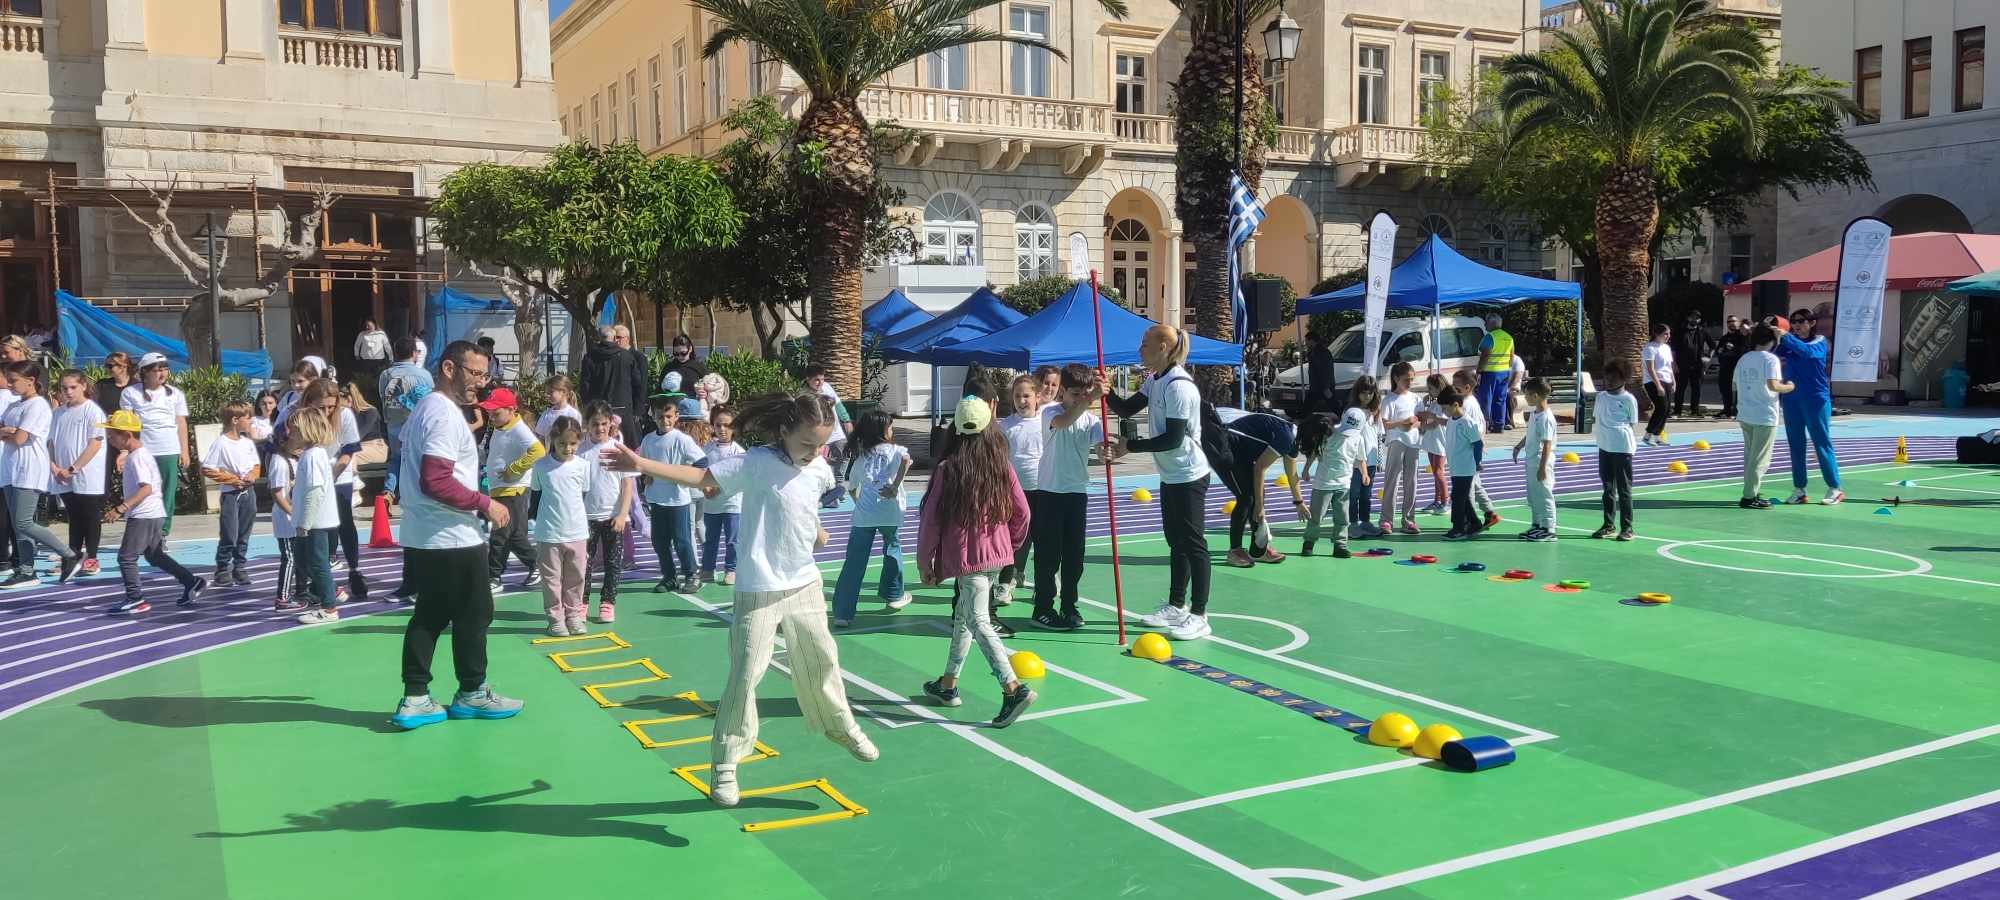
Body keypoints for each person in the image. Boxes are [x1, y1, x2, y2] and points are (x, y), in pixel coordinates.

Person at [601, 391, 880, 808]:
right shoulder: (756, 463)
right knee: (746, 673)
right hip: (758, 587)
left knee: (822, 658)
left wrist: (817, 530)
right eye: (807, 443)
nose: (814, 452)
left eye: (821, 444)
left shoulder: (819, 467)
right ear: (784, 431)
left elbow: (802, 507)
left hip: (804, 583)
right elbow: (701, 478)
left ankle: (840, 725)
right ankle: (726, 761)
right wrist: (641, 464)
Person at [391, 340, 524, 731]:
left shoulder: (427, 409)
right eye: (475, 373)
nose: (480, 382)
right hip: (450, 534)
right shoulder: (443, 415)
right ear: (449, 368)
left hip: (426, 532)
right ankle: (471, 691)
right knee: (475, 612)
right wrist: (486, 503)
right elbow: (435, 480)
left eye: (485, 374)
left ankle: (416, 697)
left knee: (430, 613)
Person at [916, 395, 1037, 726]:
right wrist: (1009, 546)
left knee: (979, 620)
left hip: (969, 559)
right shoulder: (1001, 466)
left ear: (956, 428)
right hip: (995, 556)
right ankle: (948, 683)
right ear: (988, 428)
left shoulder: (948, 469)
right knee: (964, 615)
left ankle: (1012, 688)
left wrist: (925, 562)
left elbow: (931, 521)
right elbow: (1023, 513)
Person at [1104, 324, 1214, 642]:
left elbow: (1173, 439)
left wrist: (1130, 447)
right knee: (1176, 542)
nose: (1140, 349)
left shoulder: (1179, 386)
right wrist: (1106, 391)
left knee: (1193, 544)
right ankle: (1177, 605)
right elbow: (1127, 409)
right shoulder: (1155, 380)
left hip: (1189, 474)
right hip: (1170, 474)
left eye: (1145, 343)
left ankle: (1200, 615)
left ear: (1163, 347)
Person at [100, 410, 206, 614]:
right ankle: (191, 581)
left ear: (127, 435)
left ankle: (135, 598)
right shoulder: (139, 455)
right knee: (154, 555)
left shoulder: (137, 457)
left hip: (144, 515)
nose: (109, 439)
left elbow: (146, 488)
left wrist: (121, 508)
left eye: (112, 435)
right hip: (154, 513)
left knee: (126, 557)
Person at [0, 360, 83, 587]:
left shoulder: (37, 405)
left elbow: (20, 439)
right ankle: (27, 570)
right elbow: (9, 432)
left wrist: (9, 432)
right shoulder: (13, 405)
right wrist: (9, 431)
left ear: (31, 381)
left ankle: (70, 555)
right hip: (9, 469)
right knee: (18, 525)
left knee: (24, 522)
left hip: (29, 469)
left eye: (14, 380)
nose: (9, 384)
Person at [1032, 364, 1103, 630]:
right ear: (1062, 391)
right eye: (1075, 394)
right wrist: (1091, 398)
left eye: (1085, 393)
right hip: (1050, 493)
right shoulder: (1050, 412)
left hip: (1077, 493)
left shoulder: (1092, 420)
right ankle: (1043, 607)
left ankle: (1069, 605)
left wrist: (1110, 450)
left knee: (1075, 556)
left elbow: (1102, 448)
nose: (1080, 398)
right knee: (1048, 556)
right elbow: (1065, 422)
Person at [832, 409, 914, 627]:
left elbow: (852, 487)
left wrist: (859, 502)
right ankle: (894, 595)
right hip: (890, 512)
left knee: (854, 562)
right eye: (890, 426)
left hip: (865, 515)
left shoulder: (862, 457)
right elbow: (906, 461)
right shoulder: (896, 450)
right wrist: (895, 486)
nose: (892, 429)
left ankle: (842, 613)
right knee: (892, 550)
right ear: (883, 431)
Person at [301, 379, 367, 601]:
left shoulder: (345, 415)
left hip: (337, 474)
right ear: (309, 402)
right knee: (316, 527)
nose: (327, 412)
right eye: (322, 407)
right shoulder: (300, 416)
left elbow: (348, 451)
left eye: (331, 406)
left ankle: (354, 570)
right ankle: (316, 579)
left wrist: (332, 475)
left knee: (344, 521)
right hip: (311, 474)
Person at [1215, 406, 1307, 567]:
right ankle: (1235, 550)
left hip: (1242, 452)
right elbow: (1260, 468)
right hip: (1224, 443)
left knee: (1257, 497)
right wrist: (1259, 506)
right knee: (1247, 498)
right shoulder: (1287, 438)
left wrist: (1299, 502)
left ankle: (1258, 551)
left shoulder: (1294, 438)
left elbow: (1292, 474)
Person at [1773, 309, 1843, 505]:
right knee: (1796, 444)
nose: (1796, 325)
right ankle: (1799, 489)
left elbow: (1807, 353)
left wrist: (1786, 336)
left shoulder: (1820, 341)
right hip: (1791, 398)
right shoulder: (1788, 342)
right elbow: (1770, 353)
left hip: (1815, 399)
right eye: (1793, 321)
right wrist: (1768, 334)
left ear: (1812, 323)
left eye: (1801, 321)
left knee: (1821, 442)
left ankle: (1835, 488)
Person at [531, 417, 593, 636]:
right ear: (553, 441)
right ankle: (555, 619)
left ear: (579, 442)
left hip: (577, 532)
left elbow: (582, 494)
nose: (567, 448)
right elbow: (537, 492)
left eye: (573, 444)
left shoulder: (583, 466)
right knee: (551, 580)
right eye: (562, 443)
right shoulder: (541, 466)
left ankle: (573, 616)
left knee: (576, 577)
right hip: (549, 534)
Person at [119, 353, 190, 535]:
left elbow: (181, 422)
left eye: (165, 369)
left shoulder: (175, 393)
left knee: (167, 493)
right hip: (143, 450)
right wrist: (124, 451)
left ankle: (162, 533)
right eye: (157, 370)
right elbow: (126, 424)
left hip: (168, 449)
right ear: (145, 372)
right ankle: (141, 529)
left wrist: (184, 450)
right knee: (142, 490)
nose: (162, 373)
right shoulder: (130, 393)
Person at [639, 395, 705, 594]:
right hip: (656, 499)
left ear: (676, 416)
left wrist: (686, 475)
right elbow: (643, 464)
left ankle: (692, 575)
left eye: (668, 416)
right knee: (659, 541)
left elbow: (702, 461)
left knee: (681, 540)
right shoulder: (648, 440)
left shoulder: (682, 439)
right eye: (660, 416)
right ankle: (669, 577)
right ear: (654, 417)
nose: (665, 420)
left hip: (677, 500)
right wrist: (646, 476)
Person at [482, 387, 545, 592]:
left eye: (496, 413)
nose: (492, 417)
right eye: (490, 413)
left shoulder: (518, 428)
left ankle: (494, 576)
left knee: (501, 534)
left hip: (512, 489)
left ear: (511, 410)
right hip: (501, 489)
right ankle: (535, 565)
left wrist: (514, 469)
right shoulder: (501, 426)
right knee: (512, 534)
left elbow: (538, 450)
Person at [578, 401, 634, 622]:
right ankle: (581, 603)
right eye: (595, 424)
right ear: (587, 425)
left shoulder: (618, 449)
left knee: (612, 562)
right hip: (585, 517)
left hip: (613, 517)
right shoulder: (580, 451)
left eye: (603, 423)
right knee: (583, 563)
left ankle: (607, 602)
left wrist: (622, 514)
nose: (600, 428)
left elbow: (627, 485)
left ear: (611, 423)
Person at [50, 370, 107, 577]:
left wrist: (73, 468)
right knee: (74, 517)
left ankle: (91, 558)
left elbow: (95, 443)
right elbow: (50, 442)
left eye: (73, 387)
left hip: (87, 475)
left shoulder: (93, 411)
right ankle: (73, 557)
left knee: (90, 517)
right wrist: (55, 467)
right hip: (62, 475)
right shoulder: (58, 413)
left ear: (83, 386)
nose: (68, 392)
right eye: (64, 388)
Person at [288, 408, 342, 625]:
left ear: (306, 430)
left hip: (315, 522)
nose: (290, 434)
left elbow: (314, 491)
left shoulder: (312, 456)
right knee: (303, 559)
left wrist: (305, 523)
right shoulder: (310, 454)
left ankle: (329, 608)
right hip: (312, 521)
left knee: (317, 563)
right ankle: (330, 590)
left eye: (294, 430)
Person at [994, 375, 1044, 608]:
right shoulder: (1006, 426)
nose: (1022, 401)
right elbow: (1000, 458)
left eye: (1026, 396)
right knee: (1013, 539)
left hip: (1042, 490)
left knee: (1042, 539)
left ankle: (1044, 584)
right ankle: (1005, 582)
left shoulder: (1047, 422)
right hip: (1014, 493)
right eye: (1017, 396)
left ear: (1037, 397)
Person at [200, 400, 263, 586]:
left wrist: (252, 475)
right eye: (247, 418)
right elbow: (207, 468)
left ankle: (239, 566)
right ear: (235, 420)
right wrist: (232, 480)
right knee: (230, 532)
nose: (250, 421)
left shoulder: (247, 443)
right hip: (231, 494)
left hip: (248, 493)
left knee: (244, 532)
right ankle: (222, 568)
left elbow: (256, 465)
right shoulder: (221, 443)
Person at [1735, 323, 1793, 510]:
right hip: (1764, 414)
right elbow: (1773, 385)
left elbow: (1735, 385)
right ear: (1772, 340)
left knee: (1750, 456)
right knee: (1760, 459)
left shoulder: (1744, 358)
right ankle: (1749, 496)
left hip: (1745, 412)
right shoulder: (1770, 359)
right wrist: (1790, 387)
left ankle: (1752, 489)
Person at [1299, 409, 1369, 558]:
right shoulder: (1330, 433)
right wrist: (1306, 469)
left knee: (1343, 518)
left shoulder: (1358, 438)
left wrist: (1364, 473)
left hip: (1343, 484)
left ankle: (1340, 545)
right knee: (1316, 516)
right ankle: (1309, 542)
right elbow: (1315, 451)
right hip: (1323, 484)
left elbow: (1360, 459)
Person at [1591, 359, 1640, 541]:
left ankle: (1627, 528)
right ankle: (1608, 525)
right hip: (1604, 447)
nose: (1609, 381)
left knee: (1624, 489)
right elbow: (1597, 418)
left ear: (1624, 378)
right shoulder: (1601, 397)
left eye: (1614, 378)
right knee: (1608, 488)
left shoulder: (1629, 399)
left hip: (1622, 448)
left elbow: (1632, 422)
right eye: (1607, 377)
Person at [378, 337, 432, 498]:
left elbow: (382, 396)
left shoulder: (386, 374)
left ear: (395, 353)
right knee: (419, 458)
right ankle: (419, 492)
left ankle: (389, 491)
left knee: (396, 458)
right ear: (414, 354)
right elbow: (431, 401)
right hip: (417, 423)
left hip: (393, 422)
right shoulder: (424, 375)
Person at [580, 325, 648, 447]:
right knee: (627, 447)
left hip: (598, 410)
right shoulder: (627, 356)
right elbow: (638, 384)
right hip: (624, 410)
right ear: (614, 338)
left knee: (598, 446)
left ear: (599, 338)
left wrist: (587, 407)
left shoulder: (590, 356)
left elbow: (585, 385)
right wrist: (637, 409)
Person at [700, 405, 744, 587]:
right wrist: (705, 489)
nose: (722, 429)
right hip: (711, 506)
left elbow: (736, 476)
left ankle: (731, 570)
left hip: (732, 504)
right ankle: (708, 569)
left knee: (733, 540)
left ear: (734, 427)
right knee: (710, 539)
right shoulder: (707, 449)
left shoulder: (738, 451)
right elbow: (700, 471)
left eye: (727, 425)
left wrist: (717, 489)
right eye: (718, 425)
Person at [1378, 361, 1423, 536]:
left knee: (1411, 481)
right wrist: (1402, 424)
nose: (1409, 383)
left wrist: (1414, 423)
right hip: (1397, 441)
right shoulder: (1389, 399)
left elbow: (1421, 421)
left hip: (1413, 442)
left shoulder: (1415, 399)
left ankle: (1409, 519)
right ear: (1396, 378)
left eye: (1411, 379)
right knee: (1392, 480)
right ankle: (1386, 520)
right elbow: (1385, 423)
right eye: (1406, 379)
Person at [1511, 378, 1558, 542]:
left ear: (1536, 396)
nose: (1525, 398)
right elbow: (1531, 434)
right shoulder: (1534, 414)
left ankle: (1549, 528)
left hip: (1540, 461)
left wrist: (1542, 468)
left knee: (1544, 494)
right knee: (1533, 496)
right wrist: (1519, 446)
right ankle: (1537, 525)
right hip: (1531, 460)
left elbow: (1547, 444)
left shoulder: (1546, 418)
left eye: (1527, 395)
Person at [802, 366, 854, 509]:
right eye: (816, 380)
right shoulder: (804, 395)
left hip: (836, 432)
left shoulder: (827, 387)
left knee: (844, 455)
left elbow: (838, 404)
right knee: (821, 463)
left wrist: (846, 420)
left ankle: (838, 486)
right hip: (820, 435)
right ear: (808, 379)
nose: (820, 383)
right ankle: (828, 492)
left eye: (822, 379)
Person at [266, 431, 304, 613]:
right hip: (286, 519)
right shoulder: (279, 462)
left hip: (295, 517)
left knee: (300, 556)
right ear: (283, 442)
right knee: (289, 558)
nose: (301, 445)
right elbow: (277, 494)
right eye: (297, 440)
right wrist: (292, 513)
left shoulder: (295, 459)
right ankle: (282, 598)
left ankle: (304, 591)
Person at [1440, 388, 1484, 540]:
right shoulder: (1452, 421)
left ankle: (1458, 528)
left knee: (1457, 498)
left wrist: (1477, 462)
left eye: (1445, 408)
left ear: (1456, 404)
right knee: (1462, 498)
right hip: (1455, 467)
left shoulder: (1467, 422)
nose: (1444, 411)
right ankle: (1475, 523)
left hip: (1465, 468)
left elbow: (1478, 444)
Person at [1344, 376, 1384, 539]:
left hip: (1371, 461)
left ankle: (1365, 522)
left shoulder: (1375, 412)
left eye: (1370, 393)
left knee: (1366, 495)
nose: (1367, 396)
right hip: (1355, 462)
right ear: (1357, 393)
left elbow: (1379, 436)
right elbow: (1347, 436)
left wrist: (1380, 459)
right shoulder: (1351, 412)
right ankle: (1352, 524)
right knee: (1353, 494)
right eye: (1363, 393)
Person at [1475, 313, 1514, 433]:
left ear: (1492, 323)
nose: (1485, 324)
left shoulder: (1490, 337)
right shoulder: (1509, 337)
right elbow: (1511, 356)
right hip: (1504, 372)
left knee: (1486, 398)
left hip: (1490, 372)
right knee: (1500, 399)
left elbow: (1485, 355)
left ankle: (1485, 425)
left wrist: (1478, 371)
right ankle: (1499, 425)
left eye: (1486, 322)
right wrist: (1508, 368)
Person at [1417, 374, 1450, 516]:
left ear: (1439, 388)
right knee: (1435, 472)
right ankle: (1437, 500)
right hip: (1431, 442)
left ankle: (1446, 501)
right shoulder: (1434, 403)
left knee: (1438, 472)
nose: (1428, 391)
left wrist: (1422, 423)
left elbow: (1436, 423)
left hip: (1441, 443)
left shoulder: (1445, 405)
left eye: (1431, 388)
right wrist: (1425, 407)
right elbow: (1427, 421)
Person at [1673, 310, 1714, 417]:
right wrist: (1674, 364)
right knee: (1680, 388)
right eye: (1692, 317)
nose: (1694, 319)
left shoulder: (1703, 331)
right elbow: (1673, 349)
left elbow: (1713, 346)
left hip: (1697, 365)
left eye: (1697, 318)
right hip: (1682, 365)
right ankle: (1677, 411)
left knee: (1696, 389)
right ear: (1688, 318)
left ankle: (1694, 411)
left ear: (1699, 320)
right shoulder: (1680, 331)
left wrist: (1708, 357)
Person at [1640, 324, 1675, 446]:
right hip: (1652, 381)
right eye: (1665, 334)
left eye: (1669, 334)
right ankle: (1647, 435)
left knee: (1667, 409)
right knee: (1661, 407)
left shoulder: (1666, 348)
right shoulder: (1649, 348)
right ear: (1657, 334)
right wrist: (1658, 385)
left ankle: (1657, 436)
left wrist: (1673, 381)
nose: (1668, 336)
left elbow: (1669, 367)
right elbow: (1651, 369)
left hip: (1667, 380)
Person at [1714, 315, 1748, 419]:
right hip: (1725, 367)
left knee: (1738, 389)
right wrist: (1719, 351)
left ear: (1738, 323)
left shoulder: (1742, 336)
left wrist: (1734, 348)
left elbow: (1745, 349)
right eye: (1729, 322)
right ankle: (1726, 410)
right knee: (1724, 388)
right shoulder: (1724, 338)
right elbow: (1718, 351)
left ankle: (1737, 411)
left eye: (1733, 321)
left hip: (1738, 367)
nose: (1731, 323)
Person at [1304, 329, 1338, 415]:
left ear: (1311, 340)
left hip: (1322, 386)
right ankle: (1303, 417)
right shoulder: (1314, 351)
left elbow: (1325, 370)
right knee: (1308, 404)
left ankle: (1343, 415)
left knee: (1333, 404)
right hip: (1317, 385)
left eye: (1306, 340)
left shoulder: (1321, 352)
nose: (1305, 343)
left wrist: (1326, 387)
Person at [353, 318, 391, 384]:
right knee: (367, 379)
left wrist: (391, 357)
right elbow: (357, 345)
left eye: (369, 325)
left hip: (379, 361)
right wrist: (357, 355)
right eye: (366, 325)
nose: (367, 327)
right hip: (366, 361)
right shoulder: (362, 334)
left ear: (374, 325)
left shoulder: (381, 334)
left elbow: (387, 346)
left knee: (378, 379)